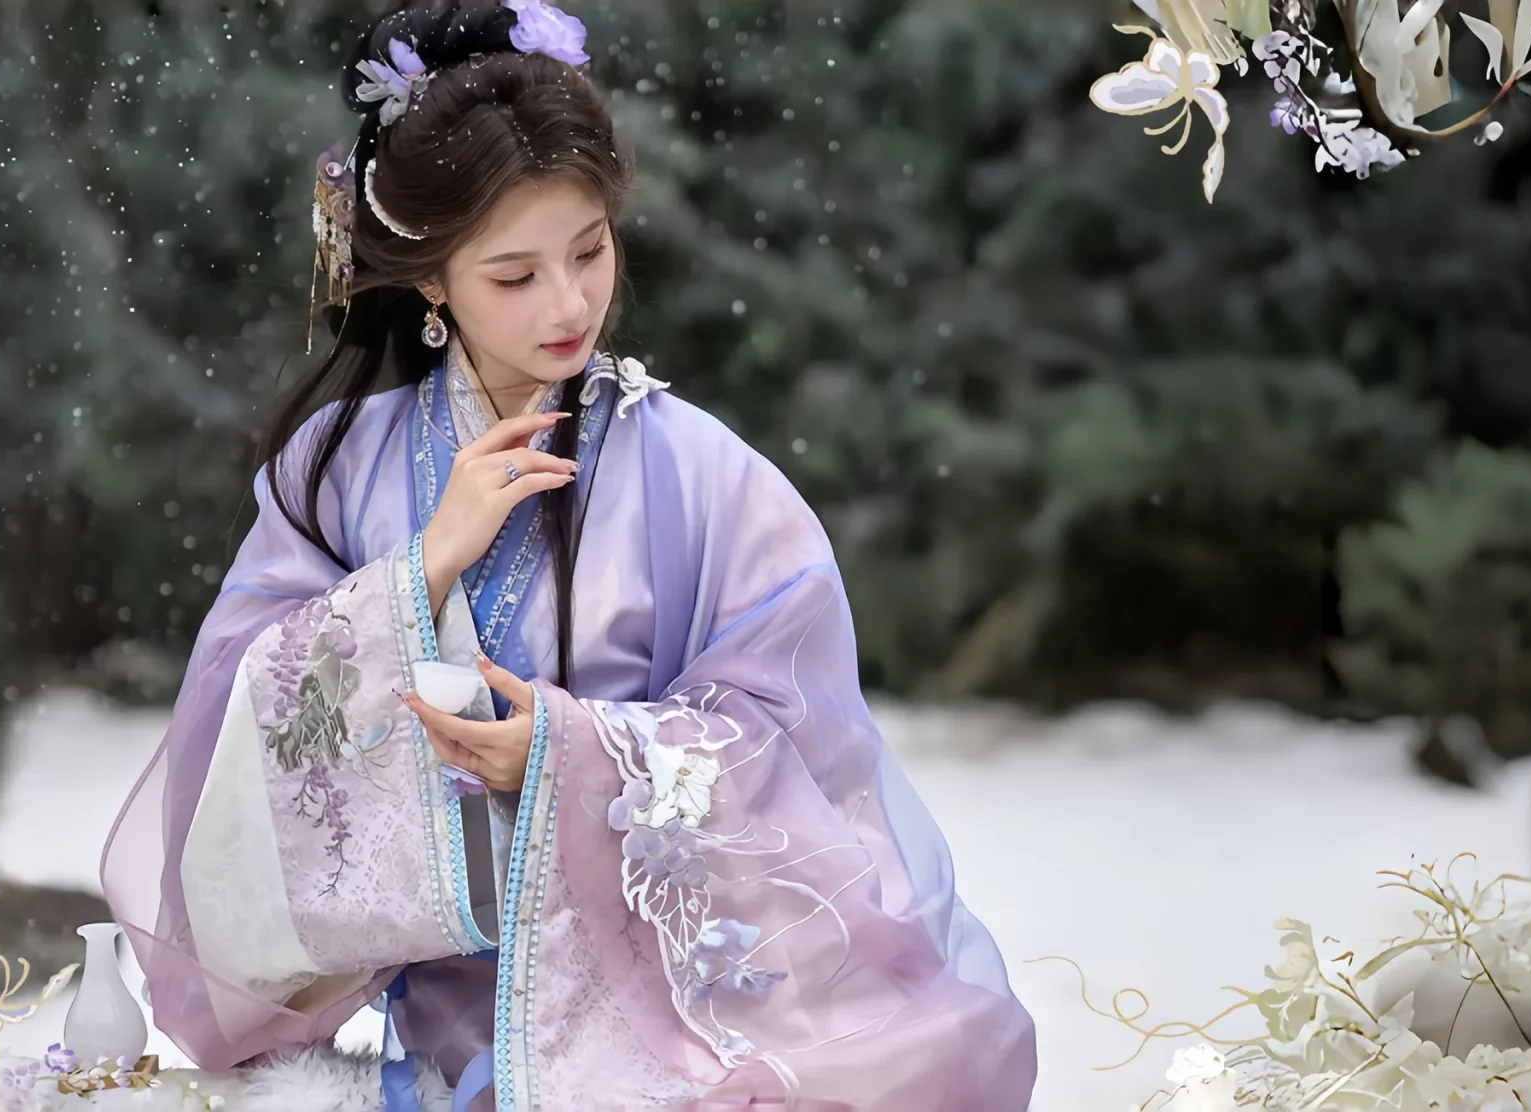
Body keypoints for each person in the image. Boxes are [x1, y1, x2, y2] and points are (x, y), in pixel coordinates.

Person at [99, 2, 1038, 1107]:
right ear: (432, 281)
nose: (569, 302)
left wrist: (573, 757)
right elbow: (229, 723)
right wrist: (420, 574)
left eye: (589, 251)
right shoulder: (339, 464)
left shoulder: (704, 477)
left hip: (655, 1031)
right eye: (515, 274)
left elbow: (798, 748)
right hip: (432, 1037)